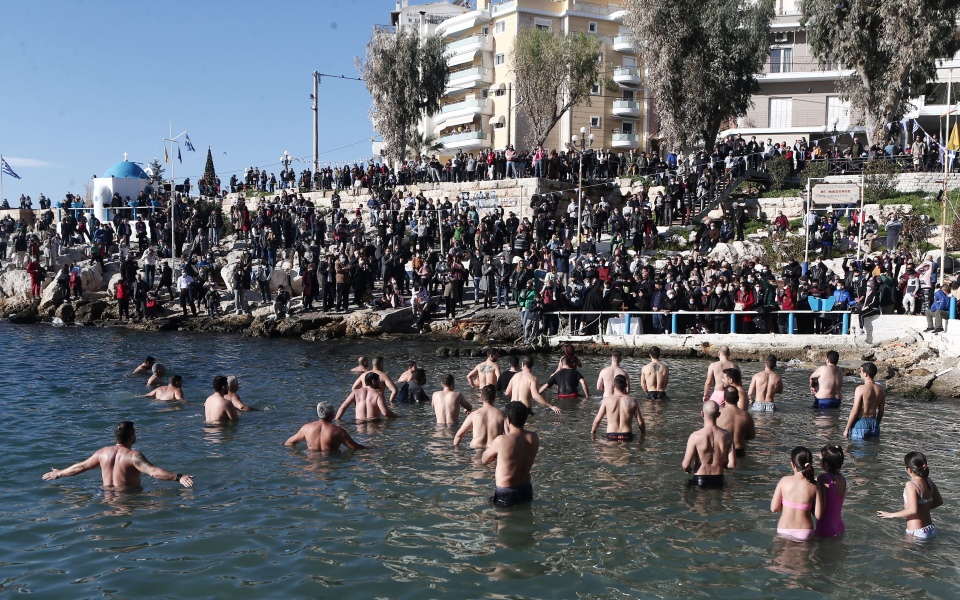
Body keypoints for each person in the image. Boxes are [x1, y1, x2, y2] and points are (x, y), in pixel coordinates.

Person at [42, 421, 193, 489]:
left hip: (105, 495)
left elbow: (80, 467)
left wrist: (59, 473)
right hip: (128, 499)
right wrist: (179, 477)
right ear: (131, 437)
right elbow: (153, 472)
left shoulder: (102, 453)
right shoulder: (134, 456)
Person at [482, 401, 540, 507]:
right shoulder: (534, 437)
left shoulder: (501, 441)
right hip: (526, 489)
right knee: (526, 521)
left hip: (506, 492)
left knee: (503, 522)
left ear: (507, 420)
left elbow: (484, 459)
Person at [877, 451, 943, 539]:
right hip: (930, 528)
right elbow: (939, 502)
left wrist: (890, 515)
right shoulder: (929, 481)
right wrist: (923, 509)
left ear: (908, 469)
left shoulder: (911, 485)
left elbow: (913, 510)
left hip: (916, 532)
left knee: (898, 552)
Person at [770, 446, 823, 541]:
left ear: (792, 464)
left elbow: (774, 508)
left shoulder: (784, 481)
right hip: (804, 531)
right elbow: (818, 515)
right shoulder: (814, 485)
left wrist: (787, 504)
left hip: (784, 529)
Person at [682, 401, 736, 488]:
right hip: (719, 479)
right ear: (718, 415)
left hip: (700, 479)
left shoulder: (695, 436)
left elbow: (685, 465)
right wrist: (720, 463)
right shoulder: (727, 435)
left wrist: (688, 469)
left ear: (702, 414)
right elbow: (732, 464)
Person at [284, 402, 366, 452]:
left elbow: (289, 443)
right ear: (332, 415)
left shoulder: (306, 428)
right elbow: (354, 447)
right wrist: (371, 448)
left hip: (312, 463)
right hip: (331, 463)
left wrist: (299, 455)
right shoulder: (338, 431)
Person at [590, 374, 645, 441]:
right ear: (626, 385)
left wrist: (592, 432)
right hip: (627, 435)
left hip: (611, 435)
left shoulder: (607, 401)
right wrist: (643, 434)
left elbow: (597, 420)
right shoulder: (633, 401)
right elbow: (640, 422)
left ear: (614, 385)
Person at [454, 384, 505, 449]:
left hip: (476, 448)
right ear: (494, 398)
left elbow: (459, 435)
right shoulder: (502, 415)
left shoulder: (473, 415)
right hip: (493, 450)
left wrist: (455, 452)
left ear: (481, 397)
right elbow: (510, 435)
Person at [843, 362, 885, 439]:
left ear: (866, 374)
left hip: (861, 422)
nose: (860, 374)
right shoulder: (881, 389)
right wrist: (876, 424)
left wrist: (847, 428)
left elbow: (855, 411)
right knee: (872, 450)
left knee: (858, 449)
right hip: (874, 422)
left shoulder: (860, 389)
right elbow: (881, 411)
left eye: (861, 371)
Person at [336, 372, 400, 422]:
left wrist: (336, 421)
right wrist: (398, 417)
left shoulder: (355, 393)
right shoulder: (378, 394)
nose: (380, 383)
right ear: (373, 382)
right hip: (374, 423)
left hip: (359, 423)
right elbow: (385, 413)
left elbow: (343, 408)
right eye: (379, 381)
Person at [815, 444, 847, 538]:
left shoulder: (822, 479)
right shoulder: (842, 478)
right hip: (840, 525)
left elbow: (820, 512)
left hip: (825, 527)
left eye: (820, 458)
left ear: (826, 462)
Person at [716, 386, 755, 458]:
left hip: (723, 450)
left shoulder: (718, 414)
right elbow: (751, 436)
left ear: (724, 399)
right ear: (737, 399)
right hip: (739, 451)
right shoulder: (746, 416)